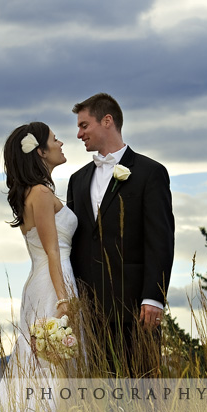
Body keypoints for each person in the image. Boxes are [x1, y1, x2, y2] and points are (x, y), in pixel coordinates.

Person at [67, 93, 174, 377]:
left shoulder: (151, 173)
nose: (79, 134)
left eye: (84, 125)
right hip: (90, 307)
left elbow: (160, 239)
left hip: (135, 305)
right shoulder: (77, 180)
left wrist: (153, 297)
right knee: (101, 389)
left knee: (143, 387)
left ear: (107, 120)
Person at [0, 121, 79, 412]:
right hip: (50, 283)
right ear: (41, 151)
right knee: (47, 360)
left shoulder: (35, 193)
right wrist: (63, 299)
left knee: (43, 358)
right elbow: (52, 250)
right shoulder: (41, 194)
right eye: (56, 140)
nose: (61, 144)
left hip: (44, 279)